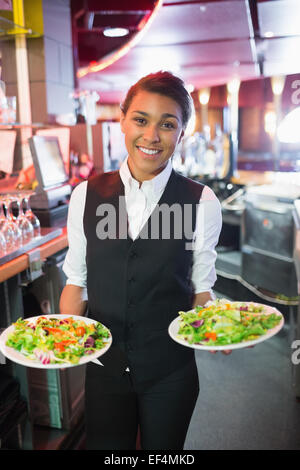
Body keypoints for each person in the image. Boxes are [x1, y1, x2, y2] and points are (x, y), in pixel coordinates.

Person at [59, 71, 223, 450]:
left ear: (181, 133)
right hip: (106, 370)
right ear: (122, 120)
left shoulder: (201, 202)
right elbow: (76, 282)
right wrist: (65, 338)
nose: (151, 136)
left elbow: (202, 290)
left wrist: (220, 329)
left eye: (167, 124)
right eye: (141, 120)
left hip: (171, 372)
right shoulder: (86, 196)